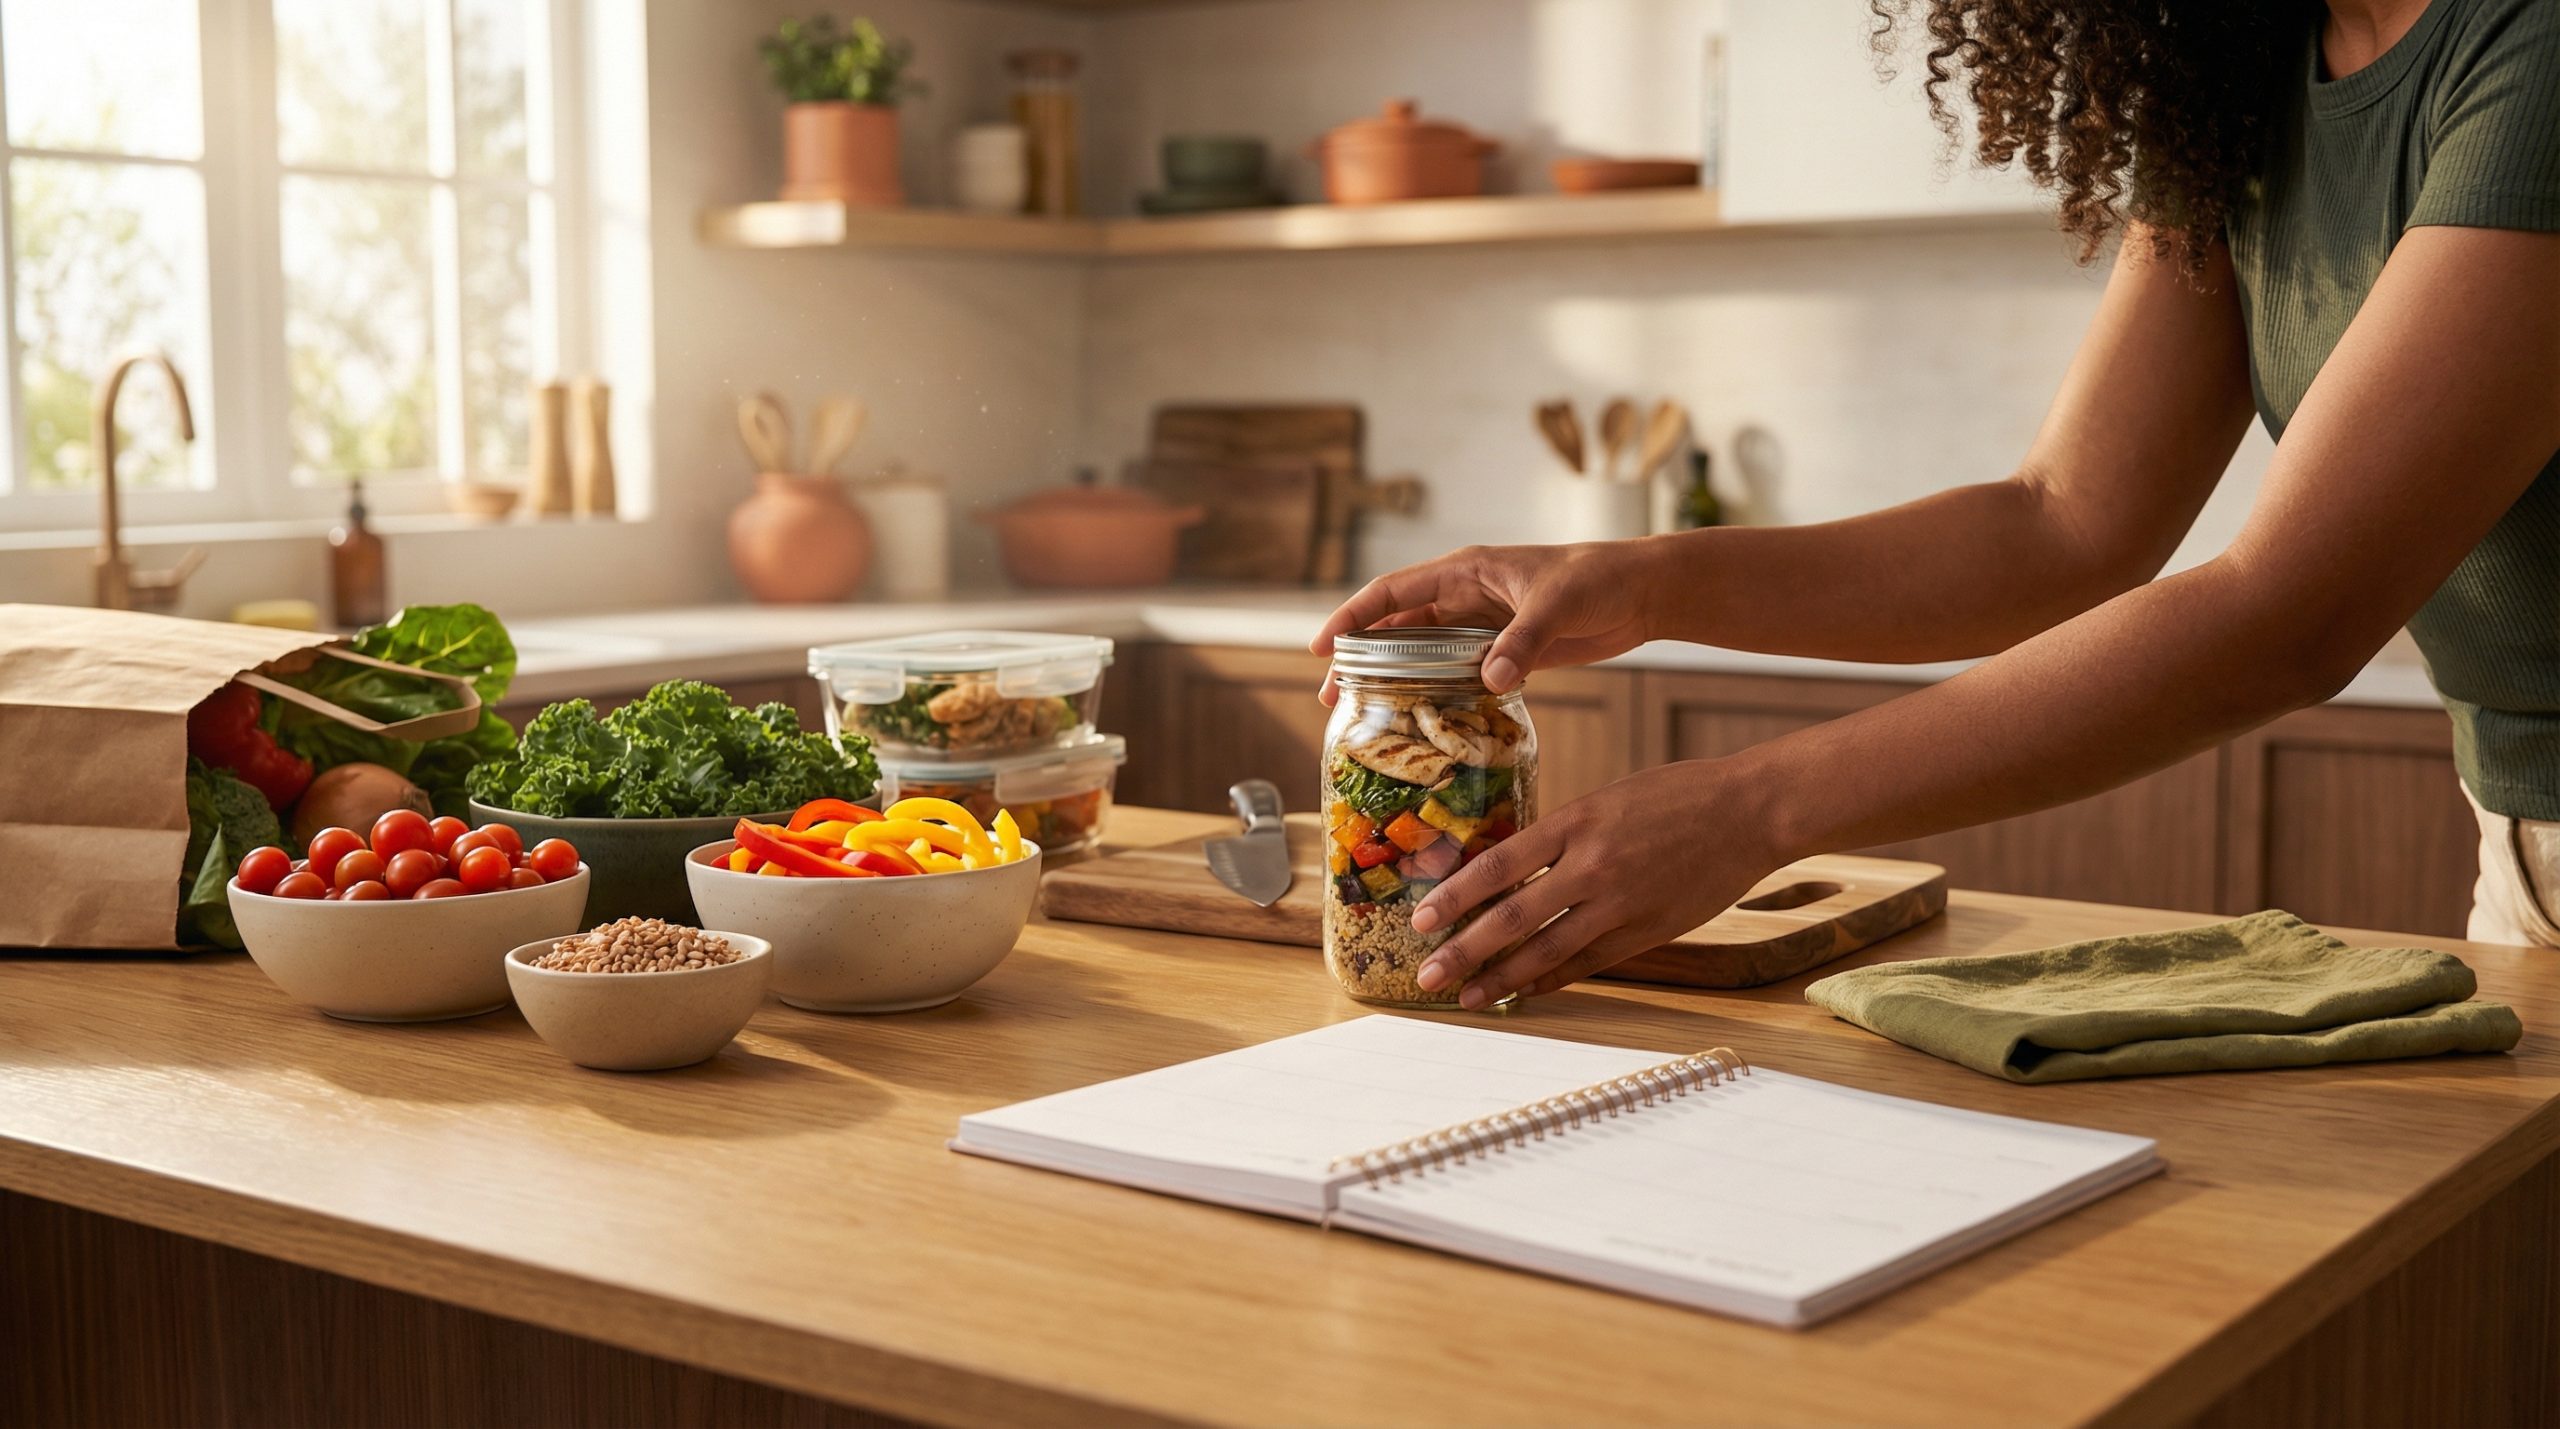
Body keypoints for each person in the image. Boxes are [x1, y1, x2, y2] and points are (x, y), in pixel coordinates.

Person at [1314, 0, 2560, 1010]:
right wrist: (1638, 579)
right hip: (2517, 847)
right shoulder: (2245, 75)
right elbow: (2060, 521)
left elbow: (2290, 613)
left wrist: (1753, 810)